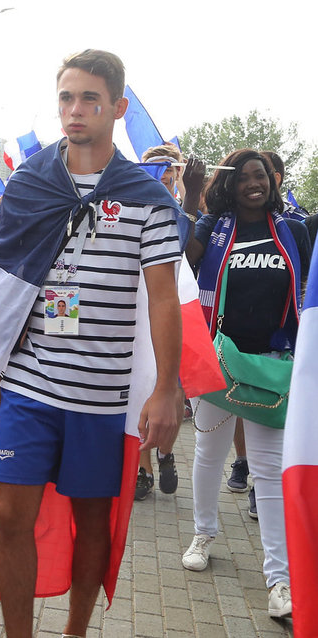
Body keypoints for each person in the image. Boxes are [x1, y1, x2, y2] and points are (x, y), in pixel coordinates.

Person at [0, 50, 181, 638]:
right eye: (67, 98)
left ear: (117, 108)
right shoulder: (29, 183)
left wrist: (166, 390)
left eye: (90, 99)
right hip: (30, 383)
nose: (75, 110)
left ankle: (75, 631)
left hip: (102, 395)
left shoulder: (148, 197)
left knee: (92, 523)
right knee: (9, 514)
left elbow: (163, 298)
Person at [182, 148, 310, 619]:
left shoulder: (293, 230)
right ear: (229, 185)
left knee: (269, 471)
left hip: (270, 367)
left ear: (272, 182)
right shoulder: (212, 226)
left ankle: (280, 580)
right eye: (244, 178)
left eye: (262, 176)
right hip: (217, 361)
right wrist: (189, 197)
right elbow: (182, 260)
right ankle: (203, 534)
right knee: (208, 455)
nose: (255, 184)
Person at [131, 143, 206, 500]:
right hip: (135, 312)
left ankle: (166, 452)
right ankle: (142, 465)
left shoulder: (184, 208)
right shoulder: (131, 204)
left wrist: (189, 197)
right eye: (152, 168)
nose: (159, 175)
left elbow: (183, 243)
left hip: (172, 309)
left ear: (176, 174)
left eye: (167, 169)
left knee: (172, 389)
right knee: (140, 385)